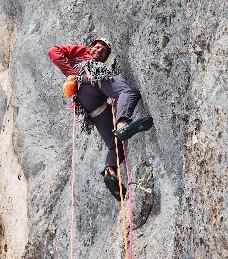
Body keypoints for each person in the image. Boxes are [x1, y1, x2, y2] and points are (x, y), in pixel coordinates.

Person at [47, 38, 153, 200]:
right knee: (128, 92)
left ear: (104, 58)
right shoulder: (82, 53)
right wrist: (71, 73)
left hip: (91, 104)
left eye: (103, 51)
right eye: (96, 47)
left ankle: (110, 173)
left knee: (115, 145)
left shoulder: (84, 63)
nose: (98, 51)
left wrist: (72, 75)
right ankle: (123, 125)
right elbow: (53, 51)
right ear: (89, 48)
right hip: (90, 78)